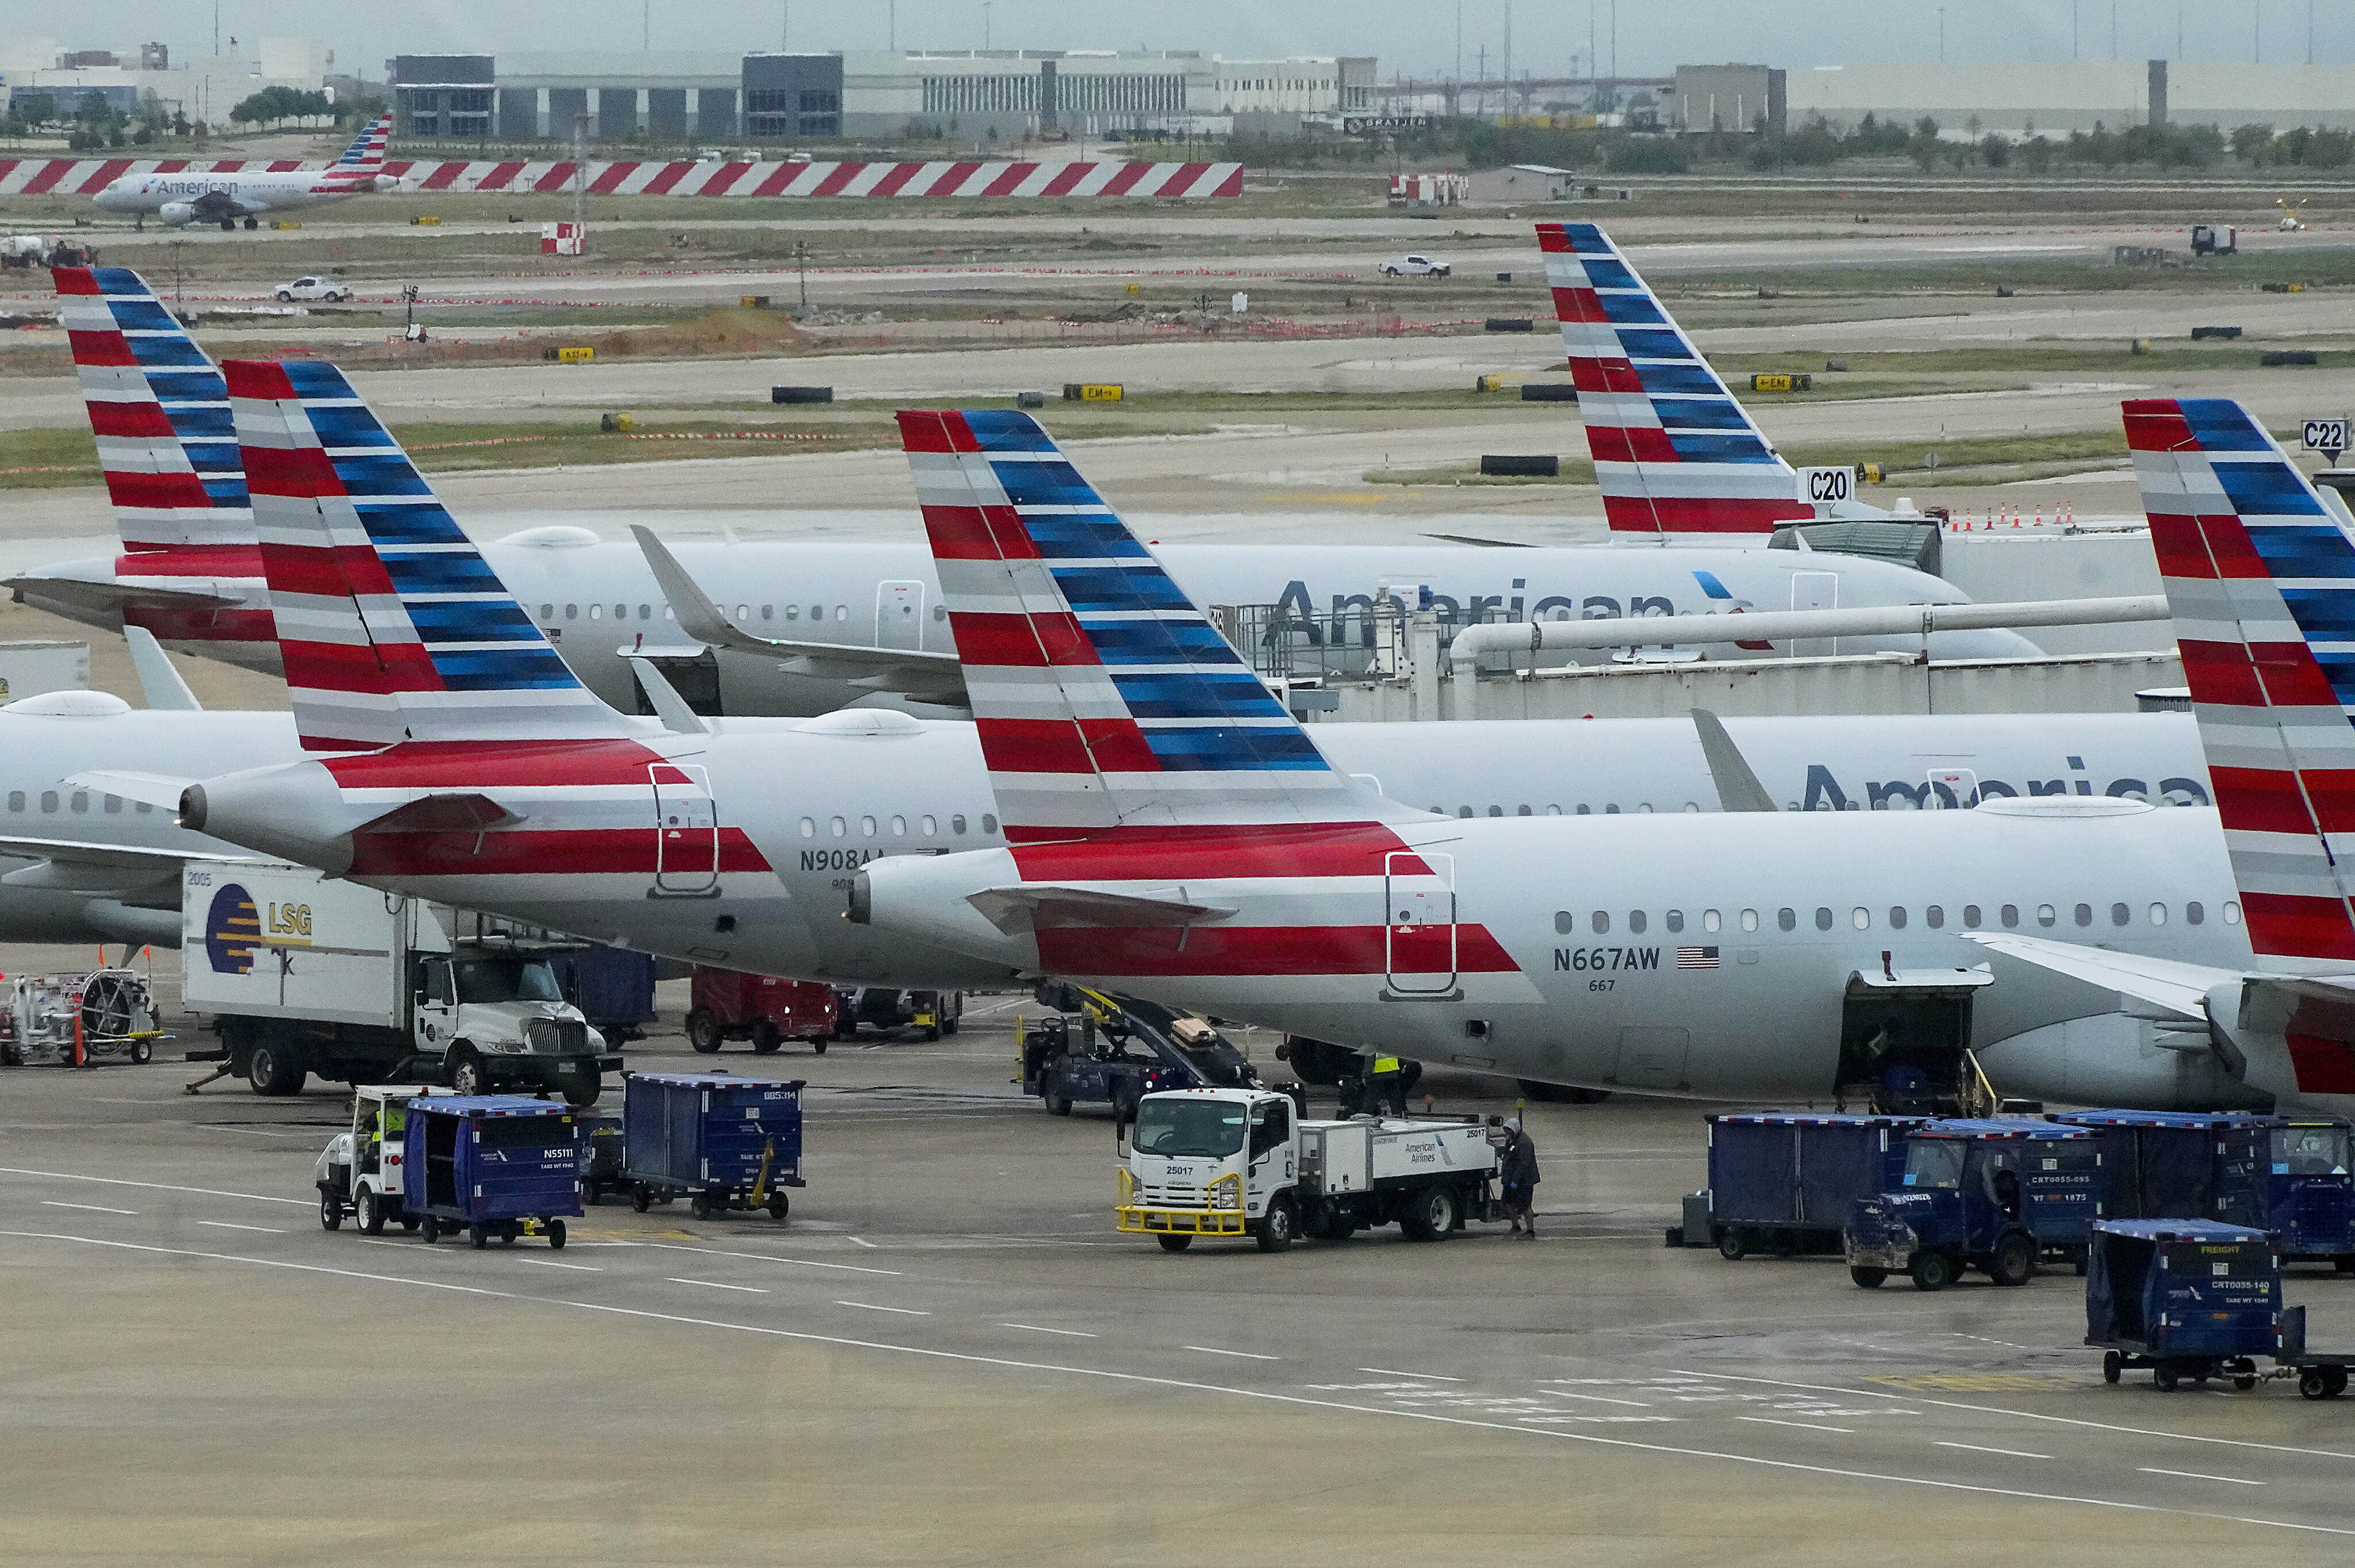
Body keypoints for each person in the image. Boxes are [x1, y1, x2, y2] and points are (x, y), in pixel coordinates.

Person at [1499, 1117, 1541, 1238]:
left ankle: (1530, 1231)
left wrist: (1514, 1182)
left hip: (1524, 1181)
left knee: (1525, 1205)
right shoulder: (1512, 1141)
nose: (1507, 1133)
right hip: (1511, 1179)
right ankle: (1516, 1226)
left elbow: (1524, 1165)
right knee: (1508, 1202)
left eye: (1509, 1130)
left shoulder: (1524, 1143)